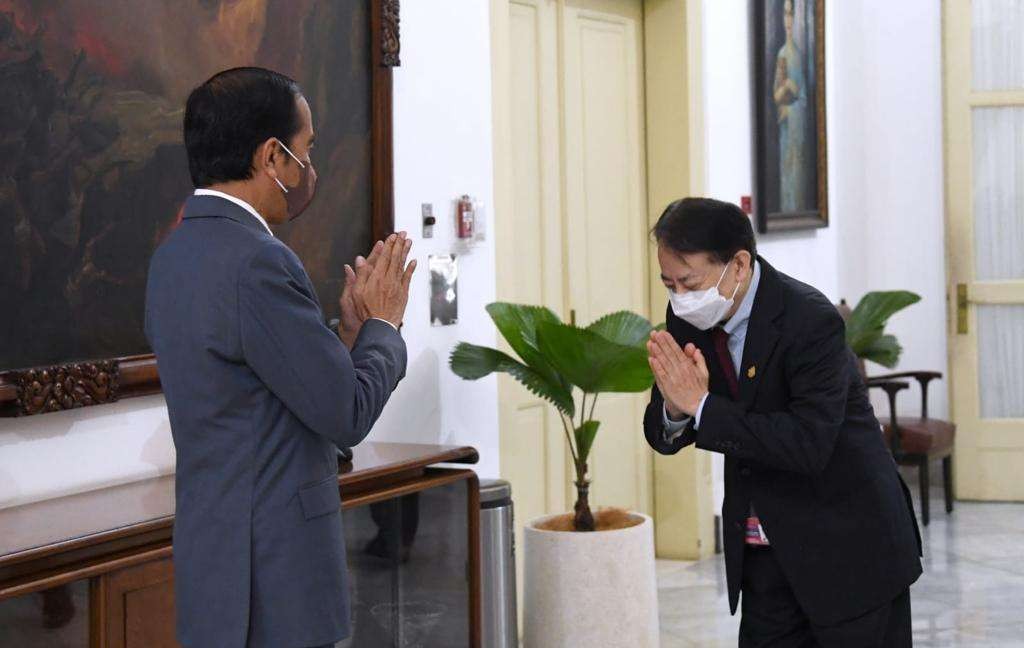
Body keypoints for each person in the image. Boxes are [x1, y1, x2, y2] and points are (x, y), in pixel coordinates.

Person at [145, 67, 415, 648]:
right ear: (273, 156)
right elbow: (346, 413)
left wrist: (346, 335)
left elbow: (278, 399)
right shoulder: (258, 260)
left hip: (215, 568)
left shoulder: (172, 254)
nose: (308, 169)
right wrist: (385, 325)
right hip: (275, 578)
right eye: (306, 151)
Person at [644, 198, 921, 647]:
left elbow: (808, 444)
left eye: (689, 281)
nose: (679, 297)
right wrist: (677, 411)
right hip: (765, 553)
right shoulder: (688, 315)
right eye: (668, 283)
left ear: (738, 264)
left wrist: (702, 407)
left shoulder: (808, 319)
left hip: (849, 547)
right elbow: (668, 426)